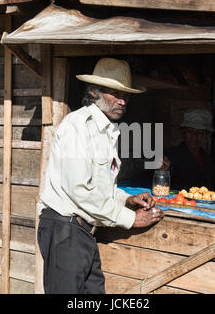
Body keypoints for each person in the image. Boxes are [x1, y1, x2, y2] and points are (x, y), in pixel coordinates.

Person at [36, 58, 165, 294]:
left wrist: (126, 199)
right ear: (94, 92)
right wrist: (129, 218)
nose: (122, 101)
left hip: (83, 233)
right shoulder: (78, 126)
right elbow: (79, 190)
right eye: (115, 94)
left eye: (125, 95)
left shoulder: (105, 131)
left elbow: (98, 186)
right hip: (65, 231)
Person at [159, 108, 214, 190]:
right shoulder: (171, 155)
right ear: (184, 133)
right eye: (190, 131)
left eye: (199, 133)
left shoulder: (206, 158)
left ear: (206, 136)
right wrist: (163, 172)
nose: (194, 136)